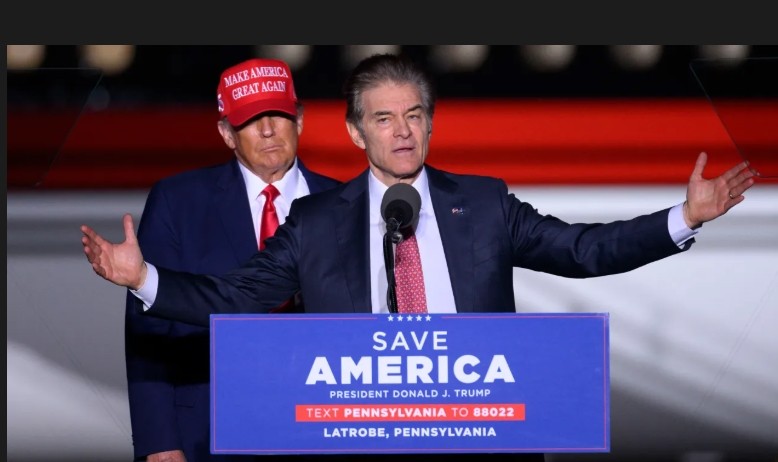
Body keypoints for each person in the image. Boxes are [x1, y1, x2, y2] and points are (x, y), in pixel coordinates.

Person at [83, 54, 755, 462]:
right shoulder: (316, 222)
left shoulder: (484, 205)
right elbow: (236, 299)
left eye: (414, 115)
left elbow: (583, 249)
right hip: (359, 444)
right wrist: (142, 278)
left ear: (430, 123)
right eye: (383, 118)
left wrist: (682, 218)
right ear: (353, 130)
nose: (401, 132)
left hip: (479, 439)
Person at [123, 57, 341, 462]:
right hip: (208, 434)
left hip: (322, 431)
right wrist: (158, 442)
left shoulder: (346, 204)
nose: (268, 129)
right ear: (226, 133)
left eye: (278, 113)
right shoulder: (179, 202)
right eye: (251, 119)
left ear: (301, 119)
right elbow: (147, 331)